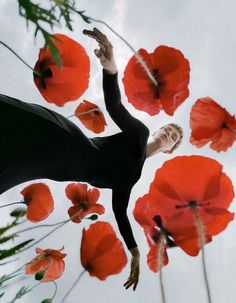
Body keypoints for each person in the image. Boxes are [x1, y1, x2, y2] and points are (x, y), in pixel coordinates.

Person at [0, 28, 183, 291]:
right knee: (15, 121)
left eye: (173, 137)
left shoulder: (131, 177)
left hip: (54, 166)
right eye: (168, 128)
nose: (169, 133)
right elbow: (115, 107)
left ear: (170, 150)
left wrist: (134, 251)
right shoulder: (139, 134)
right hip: (65, 139)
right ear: (157, 130)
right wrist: (111, 69)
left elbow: (120, 213)